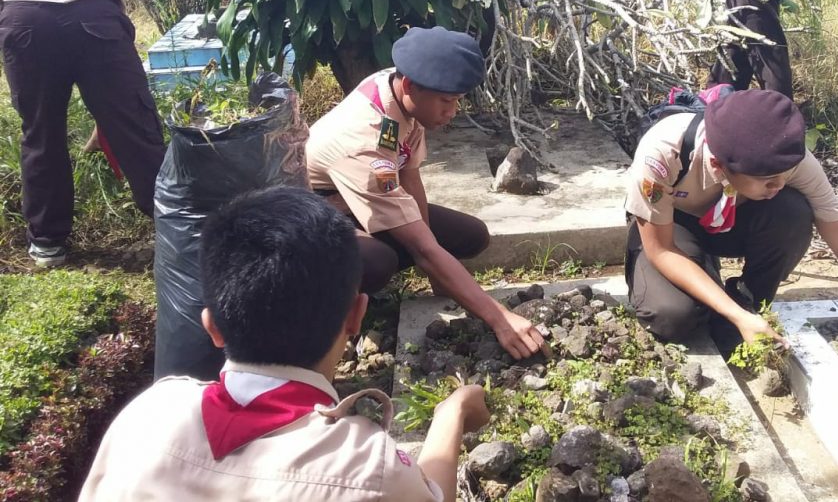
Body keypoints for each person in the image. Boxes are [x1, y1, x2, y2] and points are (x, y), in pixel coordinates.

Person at [79, 187, 490, 501]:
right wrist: (451, 412)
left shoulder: (146, 416)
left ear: (212, 326)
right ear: (356, 315)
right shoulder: (368, 466)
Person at [624, 89, 838, 392]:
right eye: (768, 180)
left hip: (732, 220)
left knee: (793, 213)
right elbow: (661, 249)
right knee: (673, 316)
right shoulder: (662, 154)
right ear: (718, 165)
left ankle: (749, 304)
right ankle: (713, 285)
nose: (780, 184)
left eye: (785, 174)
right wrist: (734, 315)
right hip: (673, 227)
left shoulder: (787, 162)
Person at [307, 26, 546, 361]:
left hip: (358, 196)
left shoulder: (398, 91)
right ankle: (323, 315)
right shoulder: (364, 141)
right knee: (379, 262)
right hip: (319, 214)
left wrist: (436, 264)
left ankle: (424, 264)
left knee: (469, 236)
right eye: (446, 101)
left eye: (458, 100)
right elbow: (420, 245)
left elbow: (409, 170)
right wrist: (499, 318)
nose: (453, 112)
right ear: (409, 87)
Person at [0, 0, 166, 267]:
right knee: (134, 123)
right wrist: (111, 116)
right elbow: (119, 31)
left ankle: (48, 245)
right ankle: (173, 220)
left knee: (41, 133)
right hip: (96, 13)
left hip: (25, 20)